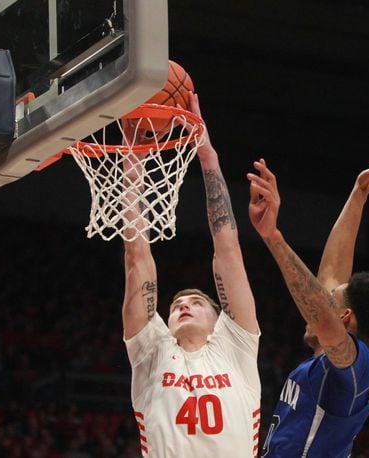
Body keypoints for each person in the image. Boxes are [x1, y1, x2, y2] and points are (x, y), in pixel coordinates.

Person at [247, 146, 369, 457]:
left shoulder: (358, 371)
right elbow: (333, 274)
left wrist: (272, 237)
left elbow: (322, 314)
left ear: (345, 317)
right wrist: (359, 192)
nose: (322, 295)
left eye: (329, 299)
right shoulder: (327, 361)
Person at [121, 93, 261, 457]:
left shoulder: (236, 346)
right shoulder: (152, 350)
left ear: (220, 321)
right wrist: (134, 160)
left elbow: (229, 250)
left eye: (196, 302)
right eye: (176, 305)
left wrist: (207, 154)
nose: (183, 306)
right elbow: (137, 256)